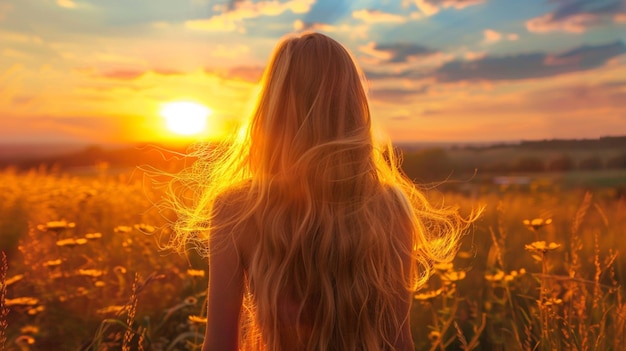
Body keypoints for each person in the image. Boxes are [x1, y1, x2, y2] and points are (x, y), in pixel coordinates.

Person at [167, 32, 478, 351]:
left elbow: (219, 344)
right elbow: (399, 342)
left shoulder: (236, 208)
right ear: (353, 107)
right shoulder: (390, 207)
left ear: (273, 106)